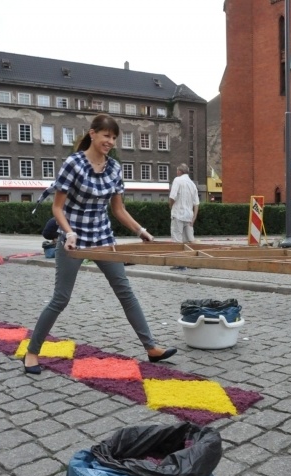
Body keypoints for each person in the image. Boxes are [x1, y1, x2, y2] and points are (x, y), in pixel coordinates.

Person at [23, 114, 176, 375]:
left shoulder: (114, 168)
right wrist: (68, 232)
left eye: (114, 137)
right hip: (74, 241)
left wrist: (141, 231)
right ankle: (32, 352)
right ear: (92, 134)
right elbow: (57, 207)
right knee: (61, 298)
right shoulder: (74, 164)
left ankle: (151, 348)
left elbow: (118, 209)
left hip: (103, 238)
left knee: (125, 291)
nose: (110, 141)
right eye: (106, 135)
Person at [169, 163, 200, 270]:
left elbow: (172, 196)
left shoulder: (177, 180)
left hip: (178, 214)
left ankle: (180, 263)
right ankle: (194, 262)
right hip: (189, 216)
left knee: (177, 240)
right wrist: (194, 217)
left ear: (179, 171)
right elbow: (196, 203)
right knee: (190, 240)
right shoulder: (192, 184)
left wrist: (171, 207)